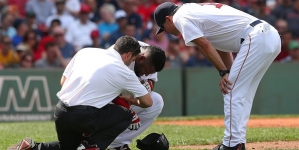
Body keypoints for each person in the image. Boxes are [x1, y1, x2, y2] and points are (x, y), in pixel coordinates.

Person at [154, 2, 281, 150]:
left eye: (163, 27)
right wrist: (228, 72)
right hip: (269, 36)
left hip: (256, 37)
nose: (166, 32)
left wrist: (224, 73)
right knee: (241, 92)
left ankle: (232, 144)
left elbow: (204, 44)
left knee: (231, 90)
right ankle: (237, 141)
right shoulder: (192, 10)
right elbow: (222, 47)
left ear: (169, 19)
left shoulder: (179, 17)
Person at [7, 36, 153, 150]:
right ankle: (92, 146)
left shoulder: (85, 51)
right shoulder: (123, 70)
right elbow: (148, 102)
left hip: (61, 111)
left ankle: (33, 147)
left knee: (69, 148)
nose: (130, 64)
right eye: (133, 59)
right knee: (126, 115)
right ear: (128, 55)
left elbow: (63, 82)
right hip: (85, 115)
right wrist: (132, 101)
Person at [106, 41, 166, 150]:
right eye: (146, 70)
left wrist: (149, 86)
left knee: (156, 101)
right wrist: (130, 111)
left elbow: (152, 80)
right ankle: (89, 140)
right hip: (101, 100)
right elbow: (107, 88)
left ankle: (117, 145)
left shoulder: (151, 55)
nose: (146, 74)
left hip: (123, 97)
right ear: (141, 58)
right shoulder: (122, 53)